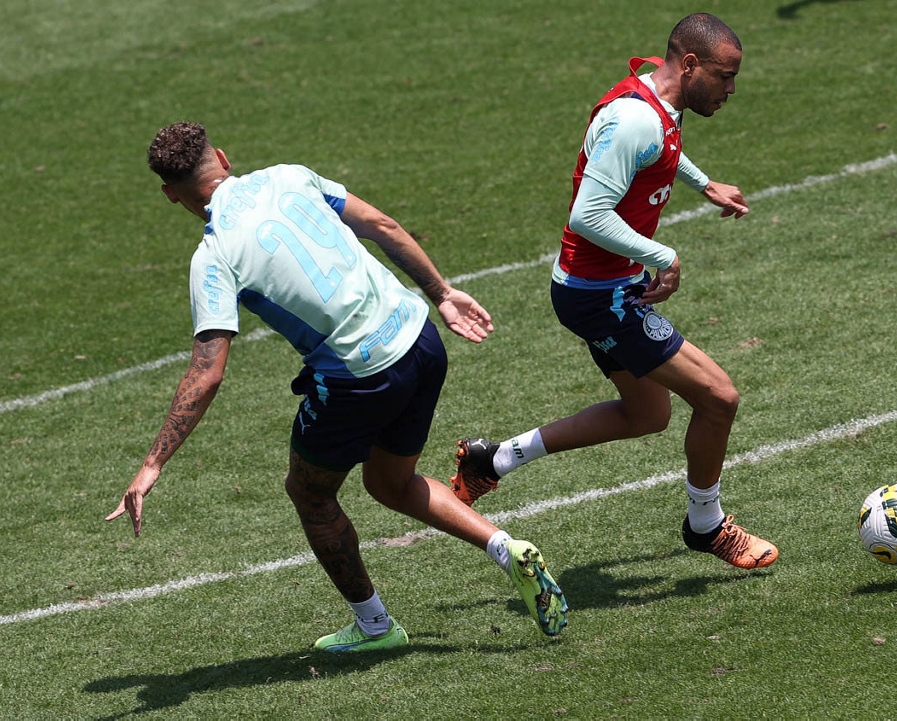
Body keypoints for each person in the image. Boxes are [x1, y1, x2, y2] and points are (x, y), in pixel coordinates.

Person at [107, 122, 567, 652]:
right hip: (419, 337)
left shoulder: (214, 256)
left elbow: (207, 371)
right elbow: (383, 225)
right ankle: (506, 548)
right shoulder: (289, 175)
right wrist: (442, 293)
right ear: (223, 158)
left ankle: (376, 627)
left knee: (309, 492)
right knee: (390, 484)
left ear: (171, 194)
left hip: (361, 378)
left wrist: (153, 463)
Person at [450, 13, 777, 570]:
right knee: (719, 398)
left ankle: (493, 460)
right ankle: (706, 524)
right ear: (690, 64)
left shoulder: (658, 103)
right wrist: (663, 256)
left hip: (604, 285)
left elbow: (659, 148)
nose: (731, 89)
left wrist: (704, 184)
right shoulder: (633, 121)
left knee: (646, 415)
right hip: (600, 294)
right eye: (725, 77)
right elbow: (588, 215)